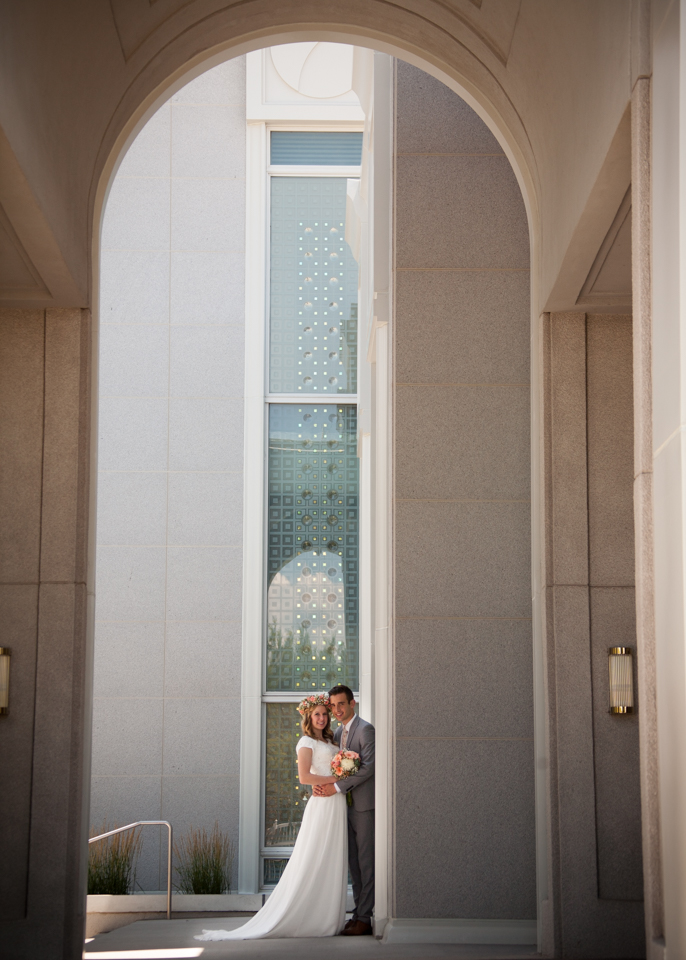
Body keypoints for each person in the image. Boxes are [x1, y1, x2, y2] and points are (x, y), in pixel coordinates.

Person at [194, 694, 347, 941]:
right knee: (314, 855)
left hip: (337, 802)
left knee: (332, 855)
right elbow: (305, 777)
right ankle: (310, 918)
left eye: (324, 713)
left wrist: (340, 779)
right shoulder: (306, 741)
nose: (321, 718)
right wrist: (337, 780)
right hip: (323, 803)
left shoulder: (332, 739)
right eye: (317, 714)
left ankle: (328, 916)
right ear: (308, 716)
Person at [314, 684, 375, 937]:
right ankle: (357, 913)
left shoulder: (366, 730)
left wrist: (336, 787)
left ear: (353, 704)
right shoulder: (337, 734)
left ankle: (365, 917)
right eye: (334, 705)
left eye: (342, 704)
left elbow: (368, 767)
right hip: (343, 808)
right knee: (353, 863)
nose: (337, 709)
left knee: (365, 861)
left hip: (363, 806)